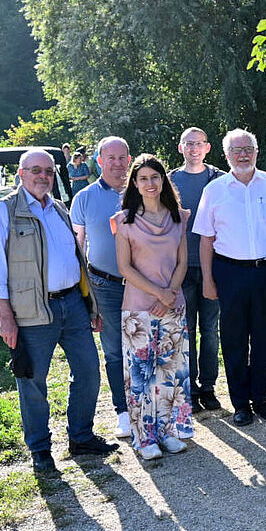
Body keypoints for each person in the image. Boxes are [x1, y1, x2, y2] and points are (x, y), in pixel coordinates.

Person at [0, 149, 117, 473]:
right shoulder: (3, 212)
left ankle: (81, 437)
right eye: (36, 170)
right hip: (31, 311)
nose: (43, 176)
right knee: (33, 382)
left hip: (72, 303)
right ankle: (40, 450)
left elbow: (76, 258)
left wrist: (91, 304)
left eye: (48, 170)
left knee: (88, 372)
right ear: (20, 173)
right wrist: (5, 317)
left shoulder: (58, 208)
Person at [195, 129, 266, 426]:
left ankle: (261, 398)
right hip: (229, 272)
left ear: (256, 151)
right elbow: (206, 240)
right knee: (234, 339)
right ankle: (240, 403)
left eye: (248, 149)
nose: (243, 154)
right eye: (236, 150)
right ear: (226, 154)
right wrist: (207, 280)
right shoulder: (214, 190)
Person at [113, 155, 193, 460]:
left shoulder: (178, 217)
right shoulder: (124, 220)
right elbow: (125, 267)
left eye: (155, 177)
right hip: (139, 310)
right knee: (141, 374)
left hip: (173, 305)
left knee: (170, 371)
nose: (150, 183)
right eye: (143, 178)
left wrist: (169, 293)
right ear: (135, 183)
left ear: (164, 181)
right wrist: (159, 294)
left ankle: (167, 431)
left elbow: (183, 260)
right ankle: (144, 437)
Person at [71, 136, 133, 439]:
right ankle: (123, 411)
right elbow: (78, 247)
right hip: (104, 285)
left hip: (142, 286)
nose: (118, 164)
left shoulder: (145, 190)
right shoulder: (84, 198)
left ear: (130, 160)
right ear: (99, 161)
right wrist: (86, 296)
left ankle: (147, 408)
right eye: (111, 158)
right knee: (114, 351)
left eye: (123, 157)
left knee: (145, 347)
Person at [170, 127, 225, 413]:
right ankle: (188, 388)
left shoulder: (219, 179)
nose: (193, 148)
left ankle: (209, 387)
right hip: (181, 268)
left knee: (210, 329)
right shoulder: (169, 181)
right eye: (188, 144)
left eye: (199, 144)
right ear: (181, 148)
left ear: (207, 148)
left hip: (213, 267)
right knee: (186, 329)